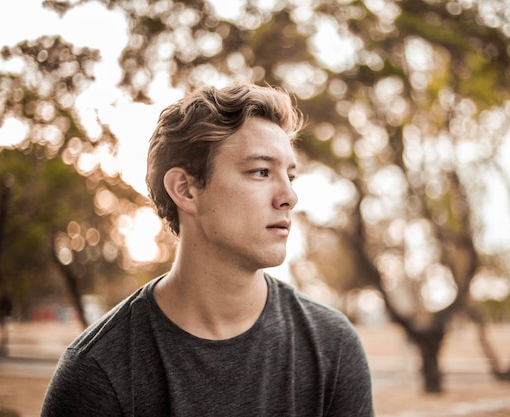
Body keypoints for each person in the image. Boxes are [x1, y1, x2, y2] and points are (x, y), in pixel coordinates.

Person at [41, 83, 375, 416]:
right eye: (261, 172)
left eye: (290, 176)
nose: (289, 197)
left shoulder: (332, 347)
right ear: (185, 190)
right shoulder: (98, 372)